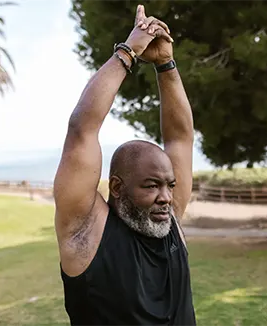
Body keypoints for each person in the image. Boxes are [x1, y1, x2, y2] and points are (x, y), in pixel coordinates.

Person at [53, 4, 196, 326]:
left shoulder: (169, 217)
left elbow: (180, 140)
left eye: (169, 185)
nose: (166, 196)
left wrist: (166, 64)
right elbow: (82, 130)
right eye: (150, 185)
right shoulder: (85, 232)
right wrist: (128, 51)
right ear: (116, 187)